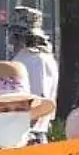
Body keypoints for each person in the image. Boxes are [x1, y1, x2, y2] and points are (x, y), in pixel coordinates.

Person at [7, 9, 59, 144]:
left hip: (28, 136)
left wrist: (20, 136)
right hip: (27, 133)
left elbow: (38, 101)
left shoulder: (35, 59)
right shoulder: (40, 58)